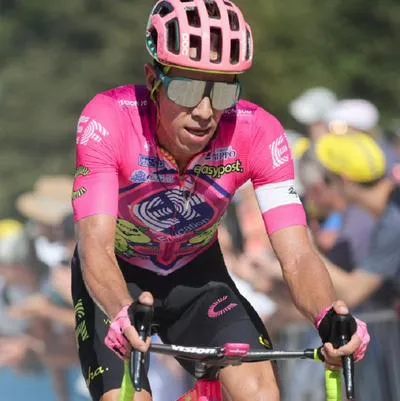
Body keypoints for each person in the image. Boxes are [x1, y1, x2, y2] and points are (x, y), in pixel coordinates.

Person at [71, 1, 369, 401]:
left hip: (197, 277)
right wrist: (121, 309)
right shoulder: (109, 119)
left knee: (260, 393)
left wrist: (327, 316)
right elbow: (95, 247)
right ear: (152, 79)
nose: (205, 111)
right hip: (117, 276)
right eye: (188, 88)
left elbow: (297, 255)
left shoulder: (258, 133)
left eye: (224, 90)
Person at [313, 132, 400, 310]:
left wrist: (307, 250)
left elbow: (352, 293)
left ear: (345, 180)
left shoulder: (393, 221)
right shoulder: (390, 212)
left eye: (328, 179)